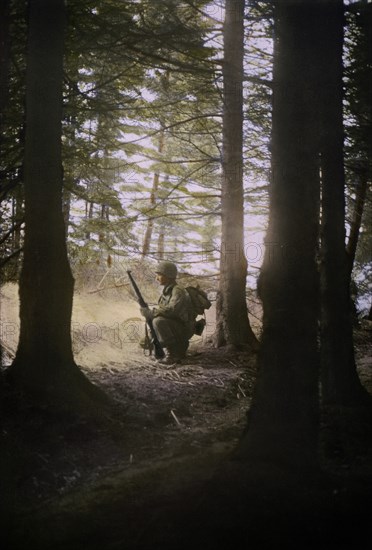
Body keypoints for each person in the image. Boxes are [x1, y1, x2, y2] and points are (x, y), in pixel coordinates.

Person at [140, 260, 195, 364]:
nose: (157, 278)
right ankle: (175, 349)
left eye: (160, 275)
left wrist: (152, 313)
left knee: (158, 322)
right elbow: (164, 312)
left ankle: (174, 354)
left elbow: (172, 310)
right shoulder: (167, 291)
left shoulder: (178, 290)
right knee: (144, 343)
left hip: (183, 328)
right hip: (175, 326)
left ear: (168, 275)